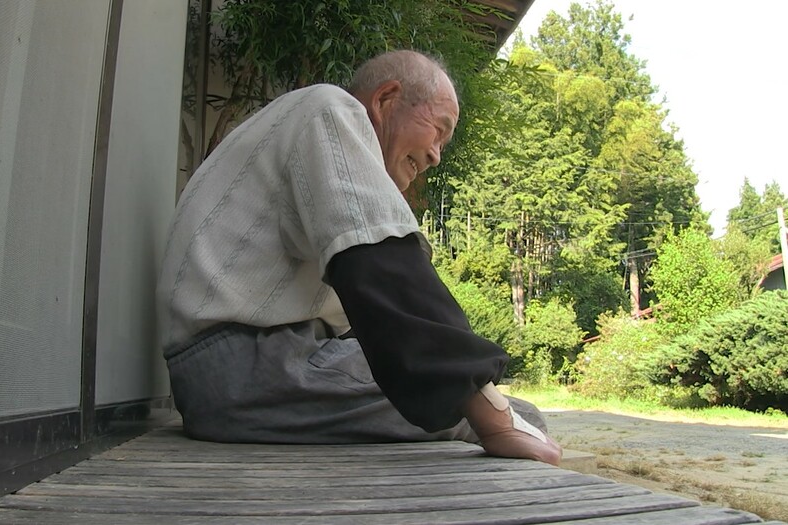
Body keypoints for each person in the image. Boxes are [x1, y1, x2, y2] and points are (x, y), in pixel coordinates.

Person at [156, 50, 562, 465]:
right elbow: (384, 267)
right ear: (385, 100)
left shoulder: (302, 133)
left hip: (248, 367)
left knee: (500, 409)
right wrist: (492, 417)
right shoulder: (330, 110)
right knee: (510, 416)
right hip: (243, 368)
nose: (437, 155)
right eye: (439, 130)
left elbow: (374, 317)